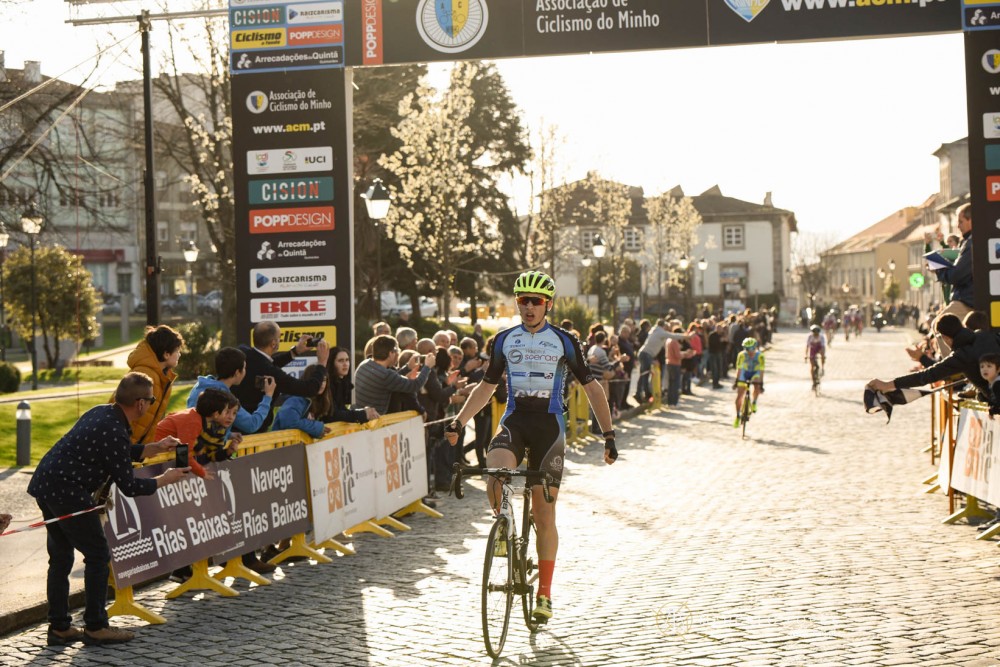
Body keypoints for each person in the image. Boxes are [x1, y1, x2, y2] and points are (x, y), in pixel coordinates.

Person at [445, 270, 617, 625]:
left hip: (549, 427)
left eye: (535, 301)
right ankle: (504, 522)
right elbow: (485, 387)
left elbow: (592, 388)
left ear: (548, 305)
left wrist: (609, 434)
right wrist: (459, 421)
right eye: (523, 300)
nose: (528, 307)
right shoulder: (504, 340)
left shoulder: (565, 340)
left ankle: (544, 594)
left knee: (543, 514)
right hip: (516, 420)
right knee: (496, 470)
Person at [28, 372, 190, 646]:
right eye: (150, 400)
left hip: (46, 483)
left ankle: (59, 627)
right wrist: (165, 479)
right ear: (139, 403)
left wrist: (153, 447)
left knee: (61, 558)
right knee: (98, 554)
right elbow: (129, 486)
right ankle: (95, 626)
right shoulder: (114, 429)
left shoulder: (102, 412)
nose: (151, 405)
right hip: (67, 491)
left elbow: (115, 450)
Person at [868, 313, 1000, 399]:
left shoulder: (961, 356)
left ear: (946, 338)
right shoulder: (986, 335)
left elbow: (927, 376)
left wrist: (888, 385)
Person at [232, 321, 330, 434]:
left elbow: (266, 362)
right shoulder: (271, 372)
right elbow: (310, 389)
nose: (280, 340)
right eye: (279, 338)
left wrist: (295, 352)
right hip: (251, 434)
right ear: (273, 343)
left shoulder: (243, 352)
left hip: (233, 426)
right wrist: (322, 364)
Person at [187, 347, 277, 436]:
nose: (245, 371)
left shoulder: (200, 385)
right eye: (245, 368)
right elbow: (252, 425)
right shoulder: (225, 397)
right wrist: (268, 396)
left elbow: (203, 425)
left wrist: (229, 434)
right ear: (237, 372)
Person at [121, 325, 184, 444]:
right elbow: (124, 413)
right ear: (166, 354)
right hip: (123, 445)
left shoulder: (162, 377)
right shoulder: (145, 375)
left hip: (136, 449)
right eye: (177, 351)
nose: (179, 354)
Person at [355, 334, 437, 415]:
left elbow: (390, 380)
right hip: (374, 424)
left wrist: (407, 367)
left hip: (360, 418)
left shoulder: (365, 364)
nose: (398, 355)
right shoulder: (386, 375)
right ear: (391, 353)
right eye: (397, 351)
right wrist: (427, 367)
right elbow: (415, 385)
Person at [156, 388, 241, 465]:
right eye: (227, 411)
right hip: (155, 454)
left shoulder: (220, 431)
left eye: (234, 413)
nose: (231, 417)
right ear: (217, 411)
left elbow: (212, 456)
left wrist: (229, 452)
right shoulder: (197, 421)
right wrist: (198, 447)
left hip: (168, 458)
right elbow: (186, 443)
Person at [933, 203, 973, 355]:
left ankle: (951, 369)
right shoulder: (968, 241)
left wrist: (939, 268)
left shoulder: (971, 243)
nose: (957, 225)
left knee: (939, 325)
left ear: (971, 220)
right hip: (966, 298)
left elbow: (957, 276)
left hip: (968, 300)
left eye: (961, 221)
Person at [272, 364, 334, 439]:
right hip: (283, 447)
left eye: (324, 380)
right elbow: (288, 421)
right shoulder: (296, 398)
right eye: (319, 380)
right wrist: (316, 428)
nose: (322, 384)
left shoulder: (319, 402)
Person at [322, 346, 380, 424]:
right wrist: (363, 414)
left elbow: (342, 411)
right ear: (332, 363)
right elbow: (332, 415)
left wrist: (364, 412)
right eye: (340, 361)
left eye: (347, 360)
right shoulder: (326, 384)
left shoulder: (341, 383)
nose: (345, 364)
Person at [733, 337, 765, 427]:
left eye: (752, 349)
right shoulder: (741, 355)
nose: (750, 351)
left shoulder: (760, 356)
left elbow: (761, 371)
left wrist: (761, 383)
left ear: (755, 348)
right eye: (747, 349)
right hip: (745, 372)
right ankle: (738, 415)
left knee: (757, 385)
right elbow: (739, 368)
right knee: (739, 395)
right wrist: (737, 381)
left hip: (755, 372)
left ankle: (754, 401)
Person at [805, 324, 826, 390]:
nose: (816, 334)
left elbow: (823, 347)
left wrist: (823, 355)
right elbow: (807, 347)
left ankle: (822, 368)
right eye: (814, 333)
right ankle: (813, 380)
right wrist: (806, 355)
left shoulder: (821, 337)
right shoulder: (810, 337)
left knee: (822, 354)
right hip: (813, 349)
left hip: (819, 348)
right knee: (812, 365)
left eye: (817, 333)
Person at [979, 353, 1000, 417]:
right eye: (982, 366)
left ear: (998, 369)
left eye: (989, 366)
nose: (985, 369)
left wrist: (992, 411)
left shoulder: (997, 384)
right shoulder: (992, 383)